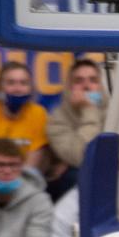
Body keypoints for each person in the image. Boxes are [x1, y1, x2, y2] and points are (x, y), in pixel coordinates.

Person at [46, 58, 108, 199]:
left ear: (101, 86)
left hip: (112, 171)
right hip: (76, 182)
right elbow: (82, 157)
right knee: (77, 173)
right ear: (69, 87)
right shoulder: (57, 120)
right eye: (79, 81)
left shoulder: (116, 110)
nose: (86, 86)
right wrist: (89, 108)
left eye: (93, 80)